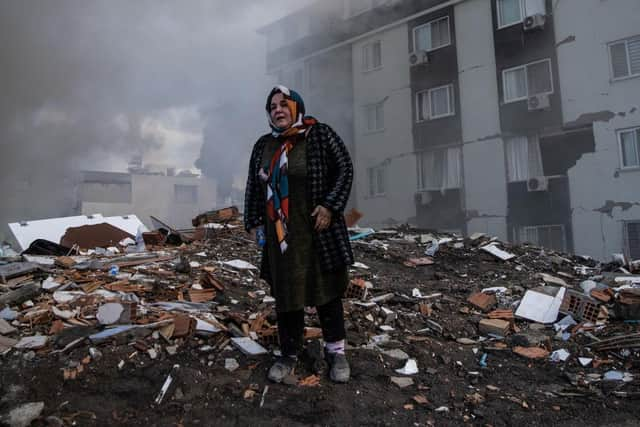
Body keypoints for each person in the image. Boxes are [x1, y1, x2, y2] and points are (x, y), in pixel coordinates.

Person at [244, 85, 354, 383]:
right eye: (272, 106)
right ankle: (289, 353)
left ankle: (336, 351)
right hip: (281, 235)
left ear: (297, 107)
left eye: (283, 104)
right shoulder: (263, 145)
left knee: (326, 290)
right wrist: (254, 222)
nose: (277, 110)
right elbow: (255, 187)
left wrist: (330, 206)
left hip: (318, 231)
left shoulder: (319, 134)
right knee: (287, 293)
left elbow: (345, 169)